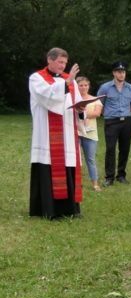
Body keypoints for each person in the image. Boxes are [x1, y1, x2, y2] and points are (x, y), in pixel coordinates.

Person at [29, 47, 84, 219]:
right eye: (60, 62)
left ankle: (71, 209)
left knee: (68, 165)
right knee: (49, 167)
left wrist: (81, 109)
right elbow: (47, 97)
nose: (63, 66)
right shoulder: (37, 78)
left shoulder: (70, 79)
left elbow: (77, 102)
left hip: (68, 133)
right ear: (49, 60)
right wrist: (67, 83)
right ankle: (50, 210)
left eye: (65, 63)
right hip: (47, 134)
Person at [98, 61, 131, 186]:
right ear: (114, 73)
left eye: (123, 72)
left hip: (126, 121)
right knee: (110, 149)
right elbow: (99, 104)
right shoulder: (105, 88)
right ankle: (109, 177)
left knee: (124, 149)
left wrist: (125, 114)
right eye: (119, 72)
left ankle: (121, 175)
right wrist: (109, 114)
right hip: (111, 121)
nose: (121, 74)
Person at [76, 76, 103, 192]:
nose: (83, 87)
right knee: (75, 160)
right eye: (81, 85)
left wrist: (81, 112)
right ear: (77, 86)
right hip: (76, 132)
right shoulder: (73, 99)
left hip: (90, 133)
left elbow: (97, 113)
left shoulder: (95, 100)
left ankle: (95, 184)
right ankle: (76, 183)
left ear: (89, 86)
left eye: (85, 85)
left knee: (90, 159)